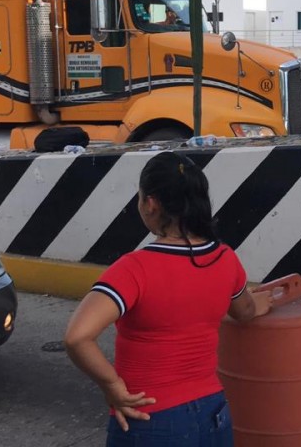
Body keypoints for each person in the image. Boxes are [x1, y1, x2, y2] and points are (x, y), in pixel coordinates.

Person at [64, 151, 272, 447]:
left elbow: (77, 337)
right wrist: (261, 303)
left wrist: (111, 386)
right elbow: (245, 311)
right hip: (213, 413)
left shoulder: (134, 269)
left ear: (151, 204)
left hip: (152, 419)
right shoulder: (224, 258)